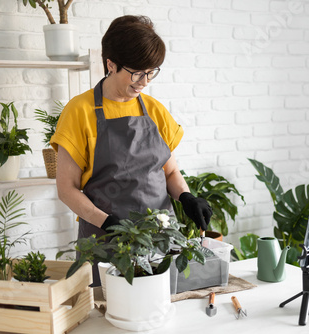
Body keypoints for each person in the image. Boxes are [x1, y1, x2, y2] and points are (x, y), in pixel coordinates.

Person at [51, 15, 212, 285]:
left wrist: (186, 197)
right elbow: (66, 189)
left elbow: (169, 171)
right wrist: (107, 223)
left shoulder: (155, 110)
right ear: (110, 64)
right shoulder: (79, 112)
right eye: (137, 72)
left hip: (160, 238)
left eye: (151, 72)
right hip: (108, 243)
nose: (145, 81)